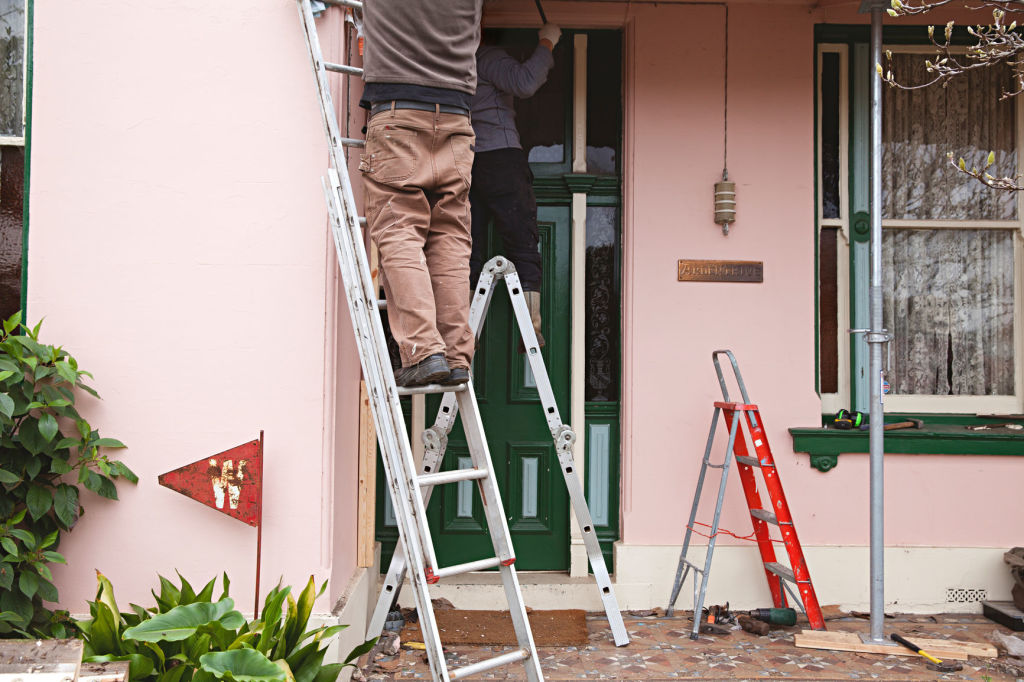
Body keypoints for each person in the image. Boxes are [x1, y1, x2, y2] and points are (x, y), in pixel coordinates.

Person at [359, 0, 484, 387]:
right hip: (457, 117)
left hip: (399, 112)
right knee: (450, 237)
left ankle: (424, 350)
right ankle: (456, 356)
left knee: (398, 229)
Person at [469, 23, 561, 348]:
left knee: (468, 245)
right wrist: (547, 42)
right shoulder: (488, 57)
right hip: (501, 156)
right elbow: (525, 82)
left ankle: (466, 334)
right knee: (522, 242)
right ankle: (530, 328)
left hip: (464, 159)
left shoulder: (451, 62)